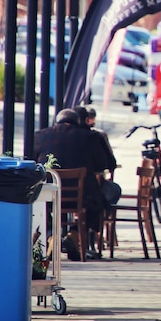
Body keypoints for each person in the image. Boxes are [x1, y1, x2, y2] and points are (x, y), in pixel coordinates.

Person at [35, 108, 115, 260]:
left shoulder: (41, 136)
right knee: (100, 203)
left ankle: (52, 235)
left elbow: (32, 164)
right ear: (78, 122)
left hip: (50, 194)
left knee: (39, 205)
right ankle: (74, 234)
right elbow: (105, 164)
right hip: (84, 196)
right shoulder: (91, 137)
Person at [74, 105, 122, 207]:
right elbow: (110, 164)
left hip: (58, 191)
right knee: (114, 190)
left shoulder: (48, 136)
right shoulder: (94, 137)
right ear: (87, 120)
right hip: (88, 193)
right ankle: (98, 219)